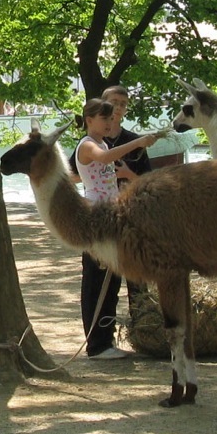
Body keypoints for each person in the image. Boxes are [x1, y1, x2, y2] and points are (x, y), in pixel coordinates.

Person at [74, 98, 158, 359]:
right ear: (89, 120)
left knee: (111, 281)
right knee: (97, 281)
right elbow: (104, 159)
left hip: (109, 216)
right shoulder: (89, 145)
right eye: (105, 118)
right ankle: (97, 345)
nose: (111, 122)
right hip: (97, 219)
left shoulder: (101, 143)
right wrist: (138, 142)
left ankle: (105, 340)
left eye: (111, 118)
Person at [99, 86, 154, 324]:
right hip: (102, 216)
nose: (118, 107)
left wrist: (127, 173)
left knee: (138, 276)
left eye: (123, 103)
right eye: (114, 102)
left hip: (133, 217)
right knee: (104, 281)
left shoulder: (134, 142)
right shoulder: (92, 141)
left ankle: (143, 328)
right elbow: (73, 175)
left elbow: (149, 181)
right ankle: (103, 337)